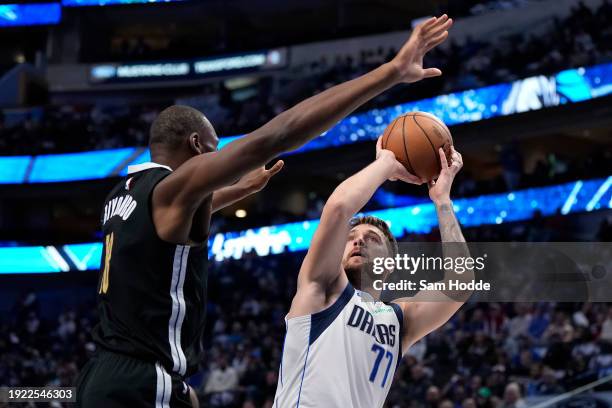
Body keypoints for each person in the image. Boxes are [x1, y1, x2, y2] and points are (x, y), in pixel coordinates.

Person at [75, 14, 454, 408]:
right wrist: (392, 72)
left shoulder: (126, 194)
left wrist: (236, 191)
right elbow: (278, 138)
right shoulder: (325, 285)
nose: (219, 159)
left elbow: (464, 282)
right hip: (141, 377)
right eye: (215, 148)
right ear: (196, 146)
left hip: (112, 373)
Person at [273, 138, 473, 407]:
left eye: (372, 239)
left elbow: (461, 284)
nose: (358, 241)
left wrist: (442, 201)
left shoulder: (399, 320)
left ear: (389, 264)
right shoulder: (322, 287)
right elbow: (338, 209)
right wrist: (386, 164)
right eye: (351, 237)